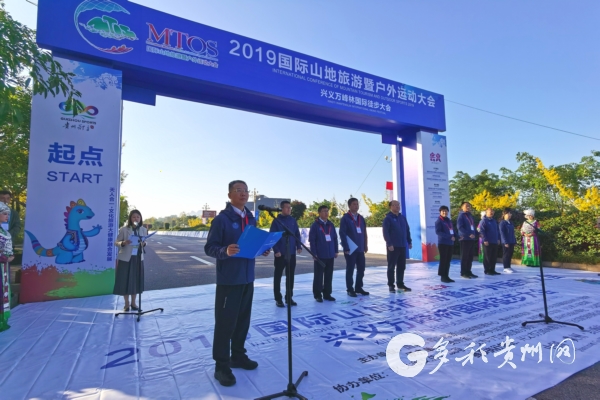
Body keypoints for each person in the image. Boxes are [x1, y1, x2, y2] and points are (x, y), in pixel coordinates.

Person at [204, 180, 270, 387]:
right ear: (230, 194)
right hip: (229, 279)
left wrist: (262, 249)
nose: (243, 194)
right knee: (225, 323)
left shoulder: (250, 218)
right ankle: (221, 366)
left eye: (245, 191)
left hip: (247, 277)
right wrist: (225, 251)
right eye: (238, 190)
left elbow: (251, 244)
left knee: (242, 320)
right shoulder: (222, 220)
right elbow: (210, 248)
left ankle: (238, 356)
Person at [269, 200, 302, 307]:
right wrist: (276, 250)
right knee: (278, 276)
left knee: (290, 276)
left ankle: (289, 297)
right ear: (281, 208)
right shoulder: (276, 221)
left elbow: (297, 234)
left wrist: (299, 246)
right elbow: (272, 236)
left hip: (291, 253)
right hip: (280, 253)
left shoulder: (293, 220)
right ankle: (278, 299)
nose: (289, 209)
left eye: (290, 207)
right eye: (287, 207)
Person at [113, 210, 147, 311]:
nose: (136, 218)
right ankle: (126, 304)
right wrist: (124, 242)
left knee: (135, 281)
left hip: (138, 258)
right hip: (126, 258)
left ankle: (133, 303)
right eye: (134, 217)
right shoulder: (124, 229)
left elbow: (145, 241)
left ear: (140, 218)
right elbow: (116, 242)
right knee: (125, 280)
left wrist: (144, 244)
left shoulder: (143, 230)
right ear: (130, 219)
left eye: (138, 217)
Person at [340, 198, 369, 297]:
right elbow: (342, 233)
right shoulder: (345, 218)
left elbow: (364, 233)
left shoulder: (361, 218)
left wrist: (365, 245)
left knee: (361, 269)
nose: (356, 206)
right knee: (350, 269)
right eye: (354, 204)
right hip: (351, 249)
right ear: (349, 206)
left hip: (360, 248)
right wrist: (346, 247)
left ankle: (358, 287)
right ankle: (350, 289)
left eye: (357, 204)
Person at [309, 205, 338, 302]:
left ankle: (327, 294)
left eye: (327, 211)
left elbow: (335, 238)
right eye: (324, 211)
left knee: (329, 275)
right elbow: (312, 240)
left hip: (330, 254)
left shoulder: (331, 224)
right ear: (319, 213)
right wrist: (314, 253)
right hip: (320, 255)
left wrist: (336, 250)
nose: (326, 213)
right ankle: (317, 294)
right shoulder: (315, 225)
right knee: (318, 276)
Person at [382, 200, 412, 292]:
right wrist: (389, 243)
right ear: (390, 207)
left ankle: (400, 284)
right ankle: (391, 285)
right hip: (393, 246)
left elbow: (407, 230)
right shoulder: (388, 218)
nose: (397, 206)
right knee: (391, 266)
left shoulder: (402, 218)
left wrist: (409, 241)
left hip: (402, 245)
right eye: (395, 205)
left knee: (401, 266)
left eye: (398, 205)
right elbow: (385, 232)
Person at [0, 202, 15, 332]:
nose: (7, 216)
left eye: (8, 214)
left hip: (3, 268)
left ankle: (2, 320)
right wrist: (4, 258)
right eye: (4, 214)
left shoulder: (4, 232)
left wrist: (10, 256)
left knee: (4, 291)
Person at [457, 202, 478, 279]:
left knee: (470, 256)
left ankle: (468, 271)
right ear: (462, 207)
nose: (468, 207)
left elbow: (473, 227)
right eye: (466, 206)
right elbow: (460, 227)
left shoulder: (470, 215)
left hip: (471, 239)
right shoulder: (461, 215)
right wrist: (468, 234)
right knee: (464, 256)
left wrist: (478, 234)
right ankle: (463, 272)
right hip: (465, 239)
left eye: (469, 206)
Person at [435, 205, 455, 283]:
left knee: (448, 260)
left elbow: (452, 230)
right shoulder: (439, 221)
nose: (444, 212)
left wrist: (457, 236)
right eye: (443, 211)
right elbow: (438, 232)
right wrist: (449, 236)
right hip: (443, 243)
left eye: (446, 211)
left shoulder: (448, 221)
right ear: (440, 212)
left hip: (450, 243)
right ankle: (443, 276)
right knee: (443, 260)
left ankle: (447, 276)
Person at [480, 208, 501, 275]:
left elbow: (497, 231)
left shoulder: (494, 221)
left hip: (494, 241)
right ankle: (487, 270)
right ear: (486, 212)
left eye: (492, 211)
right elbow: (482, 231)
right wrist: (485, 239)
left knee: (493, 257)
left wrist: (498, 239)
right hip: (487, 242)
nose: (491, 212)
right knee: (487, 257)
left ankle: (492, 269)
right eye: (490, 211)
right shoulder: (484, 221)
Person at [499, 208, 517, 273]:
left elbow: (512, 233)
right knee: (506, 254)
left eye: (510, 213)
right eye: (509, 213)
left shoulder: (511, 222)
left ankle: (509, 266)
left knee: (510, 254)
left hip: (511, 241)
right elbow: (502, 233)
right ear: (504, 214)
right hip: (506, 242)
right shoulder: (502, 223)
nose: (510, 215)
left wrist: (514, 241)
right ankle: (505, 267)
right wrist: (505, 242)